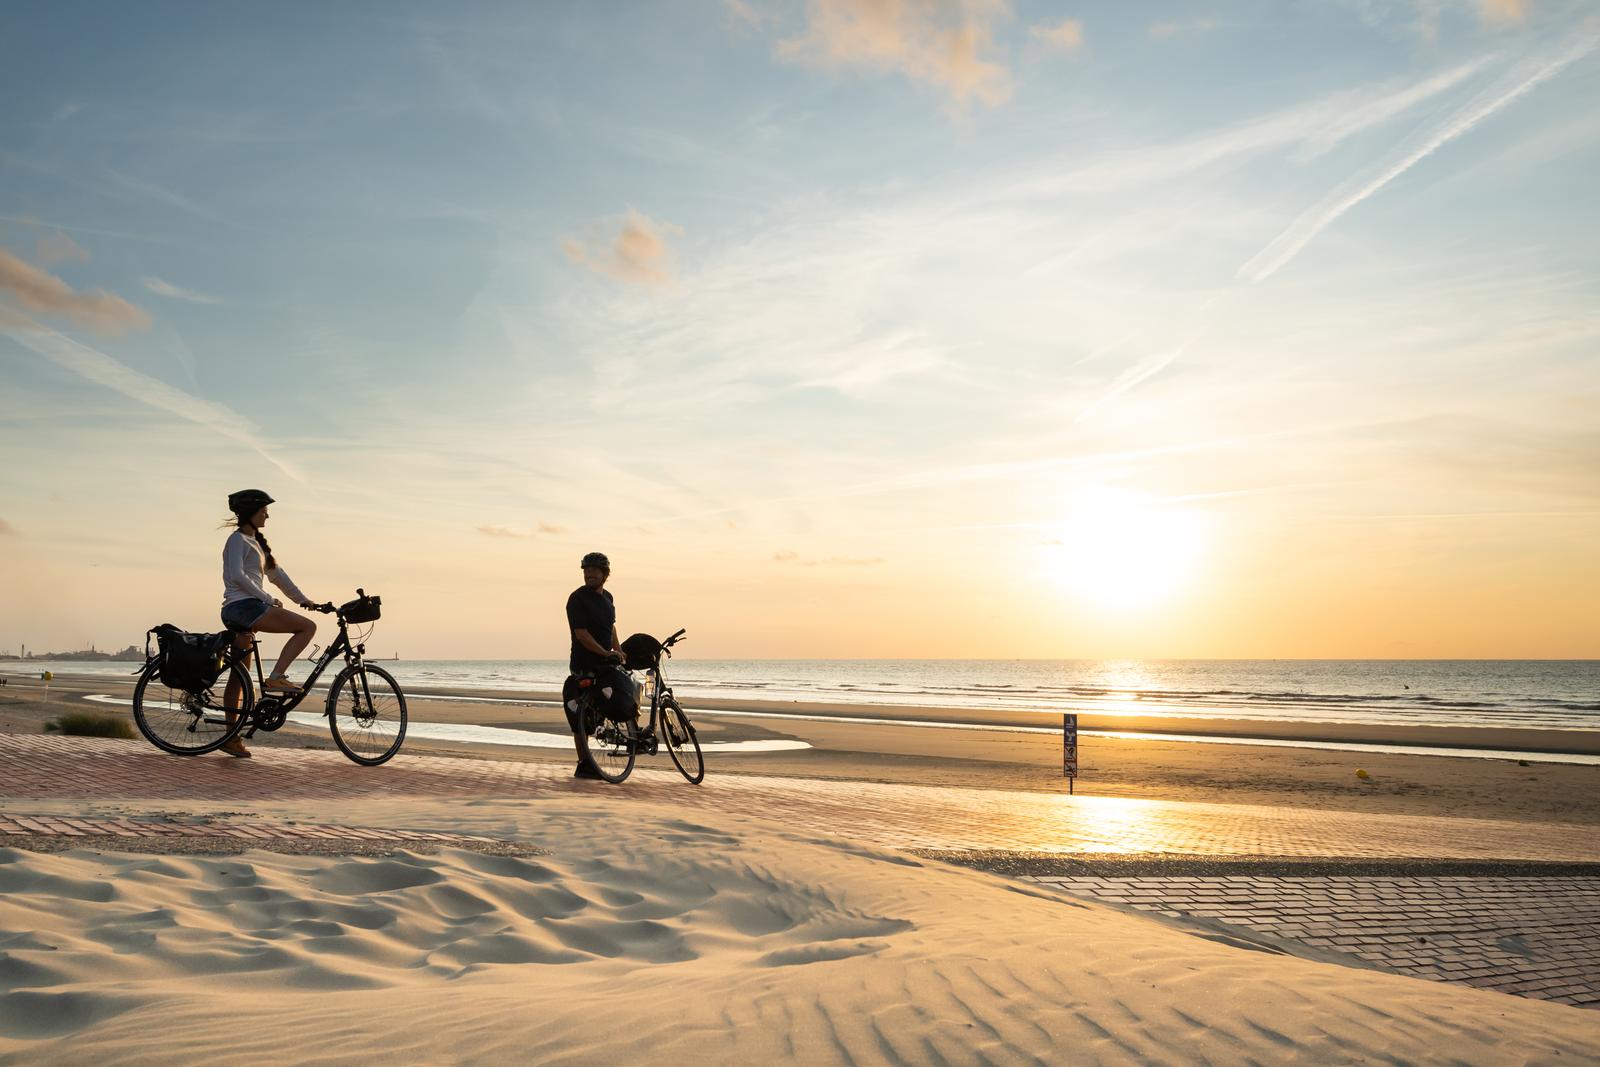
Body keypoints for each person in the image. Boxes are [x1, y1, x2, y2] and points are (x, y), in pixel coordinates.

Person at [218, 489, 323, 758]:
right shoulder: (237, 540)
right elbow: (235, 576)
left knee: (238, 677)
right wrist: (267, 598)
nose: (268, 513)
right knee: (307, 627)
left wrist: (305, 600)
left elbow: (280, 577)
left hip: (247, 609)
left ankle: (230, 737)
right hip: (242, 607)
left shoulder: (258, 545)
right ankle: (276, 678)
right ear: (251, 512)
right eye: (264, 509)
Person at [564, 551, 635, 779]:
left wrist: (617, 649)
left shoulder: (608, 598)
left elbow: (611, 627)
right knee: (579, 716)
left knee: (615, 698)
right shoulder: (577, 599)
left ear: (605, 574)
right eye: (586, 570)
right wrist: (605, 652)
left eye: (594, 570)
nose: (589, 574)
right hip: (584, 664)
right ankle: (584, 762)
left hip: (606, 662)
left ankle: (617, 736)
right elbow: (581, 634)